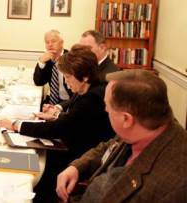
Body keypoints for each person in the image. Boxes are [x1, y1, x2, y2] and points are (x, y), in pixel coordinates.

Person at [0, 45, 114, 202]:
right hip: (72, 144)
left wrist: (15, 125)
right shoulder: (86, 88)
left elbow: (59, 129)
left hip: (77, 156)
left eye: (68, 77)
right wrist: (56, 115)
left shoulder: (92, 97)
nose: (66, 81)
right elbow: (74, 120)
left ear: (85, 76)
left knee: (29, 169)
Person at [56, 70, 187, 203]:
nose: (106, 110)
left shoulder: (176, 185)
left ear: (126, 119)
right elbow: (108, 147)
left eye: (107, 106)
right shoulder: (145, 124)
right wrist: (76, 167)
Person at [39, 30, 120, 121]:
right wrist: (58, 107)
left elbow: (84, 115)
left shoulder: (108, 75)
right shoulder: (88, 65)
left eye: (86, 49)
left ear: (102, 47)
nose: (81, 53)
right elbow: (78, 96)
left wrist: (56, 114)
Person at [33, 30, 72, 105]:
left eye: (53, 41)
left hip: (68, 102)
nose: (50, 45)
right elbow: (38, 82)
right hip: (51, 100)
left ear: (62, 43)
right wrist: (41, 62)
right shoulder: (47, 58)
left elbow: (77, 94)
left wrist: (60, 107)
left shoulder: (71, 58)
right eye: (47, 42)